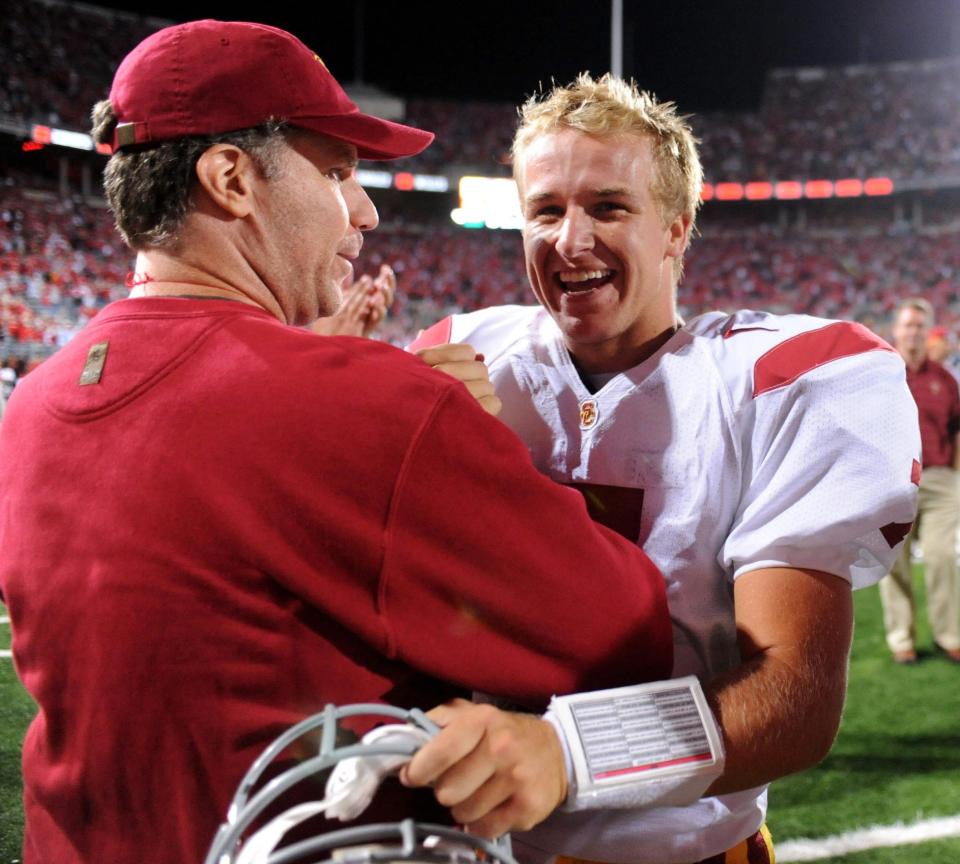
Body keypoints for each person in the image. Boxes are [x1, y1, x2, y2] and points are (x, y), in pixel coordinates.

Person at [0, 29, 675, 864]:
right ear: (232, 179)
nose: (367, 209)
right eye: (336, 172)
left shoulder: (32, 405)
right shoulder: (370, 401)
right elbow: (626, 631)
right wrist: (479, 444)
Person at [404, 74, 921, 864]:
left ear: (677, 230)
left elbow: (795, 699)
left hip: (689, 850)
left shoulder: (777, 384)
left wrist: (568, 754)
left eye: (608, 206)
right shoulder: (464, 360)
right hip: (490, 848)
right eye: (545, 210)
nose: (570, 239)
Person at [878, 298, 960, 664]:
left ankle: (949, 635)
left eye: (919, 326)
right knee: (893, 565)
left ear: (927, 334)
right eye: (907, 325)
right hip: (893, 480)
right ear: (896, 330)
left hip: (940, 477)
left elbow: (957, 429)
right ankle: (902, 640)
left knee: (943, 557)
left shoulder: (944, 379)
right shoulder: (879, 374)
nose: (913, 332)